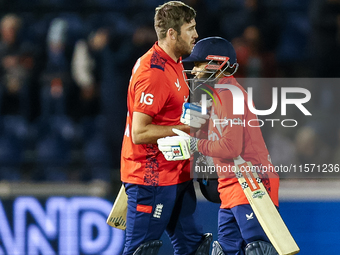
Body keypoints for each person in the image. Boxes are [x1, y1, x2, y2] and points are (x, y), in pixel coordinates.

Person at [158, 37, 280, 255]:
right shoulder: (218, 94)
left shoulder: (229, 95)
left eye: (198, 64)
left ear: (217, 63)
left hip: (252, 183)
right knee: (225, 250)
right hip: (231, 185)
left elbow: (230, 147)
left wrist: (193, 144)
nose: (193, 71)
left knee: (257, 249)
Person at [119, 2, 212, 254]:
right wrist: (186, 128)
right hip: (151, 178)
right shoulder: (153, 73)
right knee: (142, 250)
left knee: (196, 248)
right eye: (190, 29)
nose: (196, 35)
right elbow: (140, 132)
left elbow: (170, 112)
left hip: (176, 172)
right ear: (172, 33)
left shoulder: (175, 62)